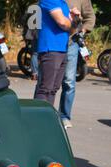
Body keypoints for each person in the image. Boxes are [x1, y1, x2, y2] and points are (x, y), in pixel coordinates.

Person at [34, 0, 81, 108]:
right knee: (45, 89)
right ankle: (37, 120)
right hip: (50, 48)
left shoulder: (63, 4)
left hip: (62, 49)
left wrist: (75, 18)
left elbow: (71, 30)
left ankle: (47, 119)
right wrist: (70, 21)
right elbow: (62, 23)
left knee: (53, 89)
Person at [59, 0, 95, 129]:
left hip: (71, 43)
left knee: (69, 82)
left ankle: (64, 116)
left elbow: (90, 16)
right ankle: (41, 117)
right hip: (52, 41)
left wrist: (83, 31)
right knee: (47, 81)